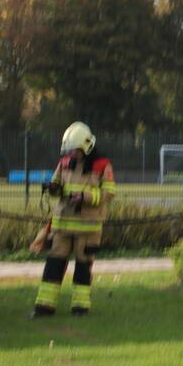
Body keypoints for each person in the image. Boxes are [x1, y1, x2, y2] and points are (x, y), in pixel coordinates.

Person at [31, 122, 116, 318]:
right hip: (62, 226)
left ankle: (80, 308)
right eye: (71, 150)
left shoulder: (102, 165)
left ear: (87, 146)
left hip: (88, 228)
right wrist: (52, 188)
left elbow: (109, 193)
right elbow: (56, 183)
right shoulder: (64, 163)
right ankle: (44, 307)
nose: (73, 154)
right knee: (54, 264)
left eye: (76, 150)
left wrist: (84, 197)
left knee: (83, 266)